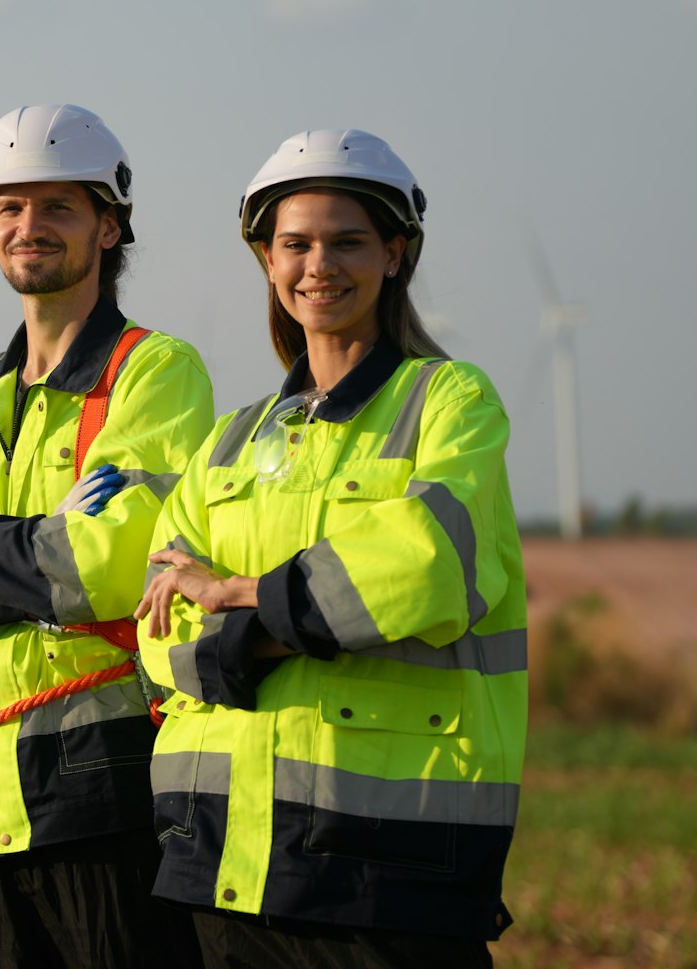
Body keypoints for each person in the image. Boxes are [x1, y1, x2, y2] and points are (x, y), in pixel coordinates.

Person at [134, 129, 527, 967]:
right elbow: (156, 622)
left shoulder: (450, 401)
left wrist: (242, 596)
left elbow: (422, 563)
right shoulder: (233, 438)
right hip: (222, 852)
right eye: (296, 244)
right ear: (268, 261)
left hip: (387, 858)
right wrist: (298, 623)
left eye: (348, 241)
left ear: (395, 252)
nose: (321, 265)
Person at [0, 105, 216, 969]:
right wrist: (18, 565)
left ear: (109, 225)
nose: (28, 227)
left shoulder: (155, 371)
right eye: (8, 207)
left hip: (109, 788)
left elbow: (103, 568)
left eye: (57, 207)